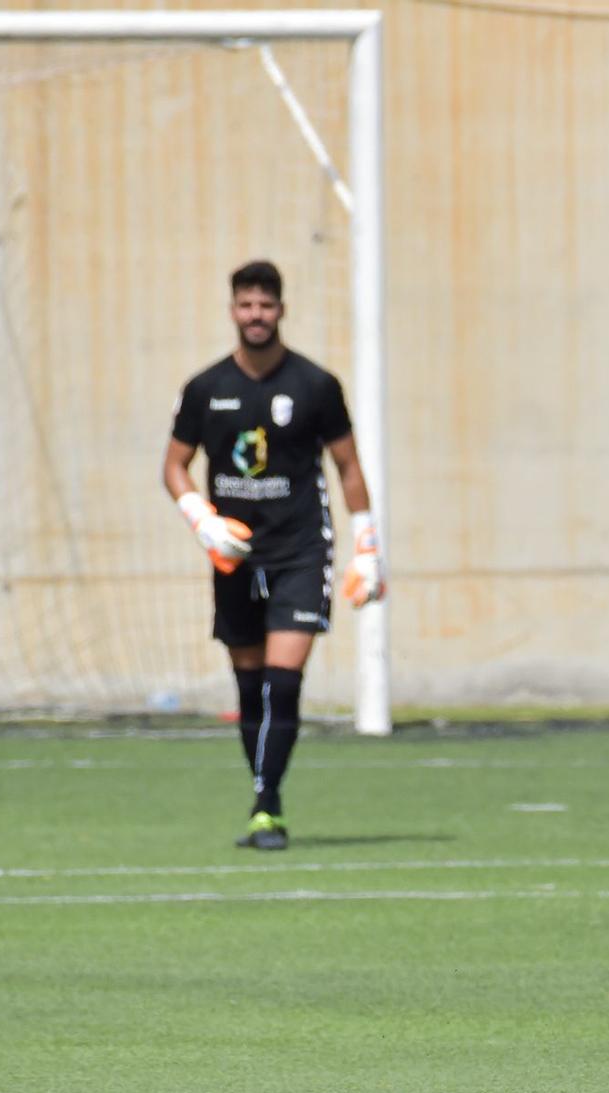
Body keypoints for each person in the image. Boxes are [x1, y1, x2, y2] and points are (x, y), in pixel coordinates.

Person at [162, 259, 385, 851]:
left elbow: (349, 467)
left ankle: (268, 806)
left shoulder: (315, 385)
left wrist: (367, 547)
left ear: (281, 310)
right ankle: (265, 793)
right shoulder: (206, 388)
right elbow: (174, 466)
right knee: (248, 687)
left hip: (300, 553)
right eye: (245, 305)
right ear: (232, 310)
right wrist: (201, 518)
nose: (255, 315)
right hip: (234, 559)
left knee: (283, 685)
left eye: (265, 305)